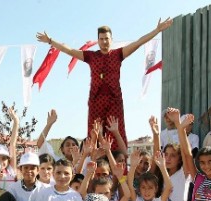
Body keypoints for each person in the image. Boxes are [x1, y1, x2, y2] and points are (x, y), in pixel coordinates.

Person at [36, 18, 173, 150]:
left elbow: (138, 42)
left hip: (114, 100)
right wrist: (50, 41)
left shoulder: (119, 54)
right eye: (101, 39)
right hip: (96, 100)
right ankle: (93, 164)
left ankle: (118, 163)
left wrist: (157, 30)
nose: (104, 41)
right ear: (98, 41)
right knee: (94, 133)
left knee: (116, 132)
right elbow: (69, 50)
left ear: (111, 39)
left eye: (106, 38)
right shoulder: (91, 56)